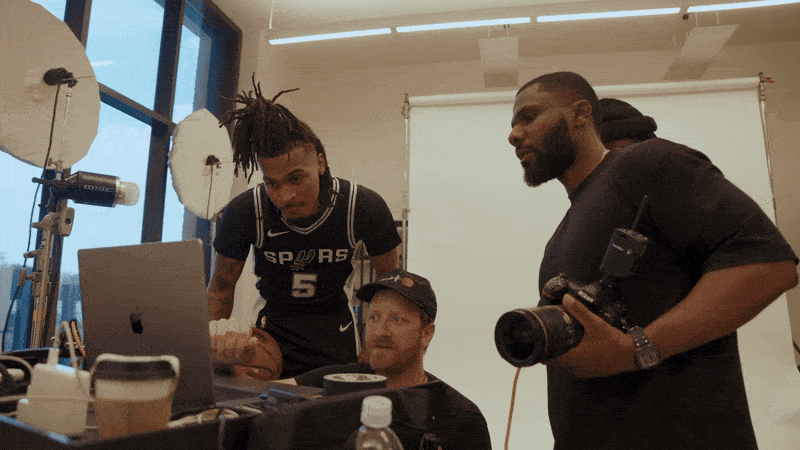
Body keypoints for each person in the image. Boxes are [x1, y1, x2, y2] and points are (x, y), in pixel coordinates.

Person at [507, 71, 798, 449]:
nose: (514, 134)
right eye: (512, 124)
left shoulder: (647, 162)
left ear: (580, 114)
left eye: (529, 117)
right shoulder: (563, 233)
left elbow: (768, 265)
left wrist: (636, 349)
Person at [208, 79, 402, 379]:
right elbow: (221, 290)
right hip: (271, 337)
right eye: (272, 183)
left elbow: (390, 285)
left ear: (320, 163)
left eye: (296, 178)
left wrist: (373, 345)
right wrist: (207, 354)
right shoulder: (246, 210)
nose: (285, 195)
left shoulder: (362, 206)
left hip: (337, 335)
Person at [278, 268, 493, 449]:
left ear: (426, 334)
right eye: (374, 317)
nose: (380, 331)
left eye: (398, 319)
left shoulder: (459, 418)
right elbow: (265, 393)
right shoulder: (339, 380)